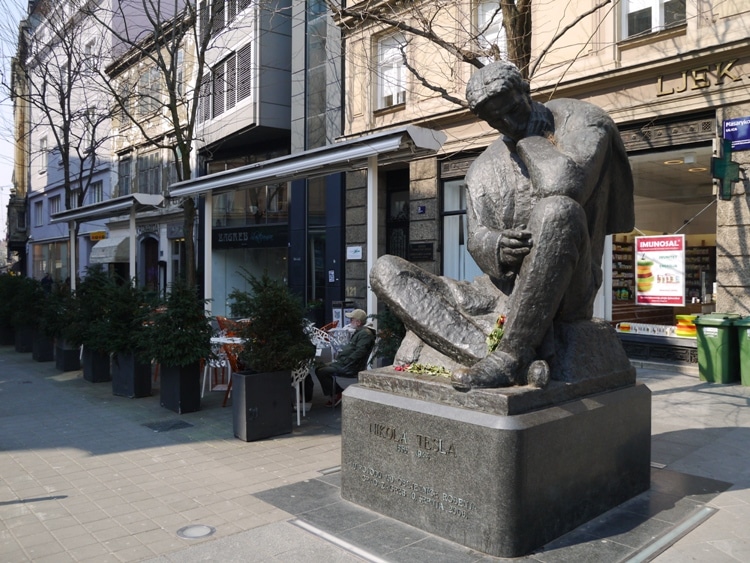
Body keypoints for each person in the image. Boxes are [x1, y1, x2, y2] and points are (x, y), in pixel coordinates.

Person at [370, 61, 634, 390]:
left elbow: (565, 184)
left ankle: (511, 353)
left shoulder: (582, 120)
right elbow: (477, 237)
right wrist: (498, 245)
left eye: (512, 110)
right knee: (386, 269)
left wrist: (529, 137)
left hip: (567, 289)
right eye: (496, 119)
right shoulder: (482, 168)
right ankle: (497, 356)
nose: (508, 123)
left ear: (526, 91)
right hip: (495, 293)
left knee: (557, 211)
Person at [315, 309, 376, 407]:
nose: (349, 321)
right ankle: (337, 393)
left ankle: (337, 394)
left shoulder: (365, 334)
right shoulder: (361, 332)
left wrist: (345, 360)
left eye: (351, 319)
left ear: (358, 322)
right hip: (346, 363)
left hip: (349, 366)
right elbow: (353, 349)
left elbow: (359, 352)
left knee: (321, 371)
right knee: (319, 369)